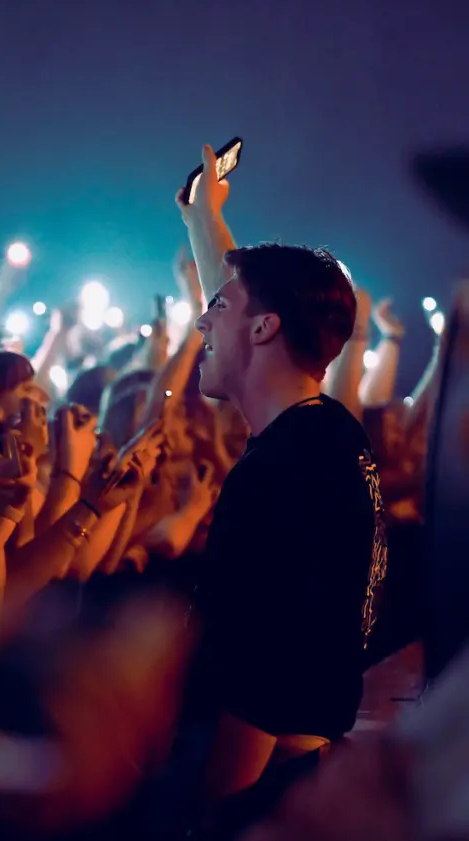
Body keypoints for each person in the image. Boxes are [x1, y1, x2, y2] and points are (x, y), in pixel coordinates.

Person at [170, 145, 388, 833]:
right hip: (293, 772)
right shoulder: (323, 437)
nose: (202, 322)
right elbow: (241, 306)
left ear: (266, 328)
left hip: (251, 793)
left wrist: (206, 813)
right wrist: (203, 219)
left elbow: (265, 673)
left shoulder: (286, 471)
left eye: (216, 308)